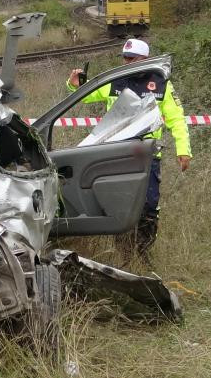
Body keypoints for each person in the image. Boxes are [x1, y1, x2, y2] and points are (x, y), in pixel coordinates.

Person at [66, 38, 191, 257]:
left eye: (132, 58)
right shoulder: (114, 80)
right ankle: (124, 252)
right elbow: (85, 95)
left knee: (149, 206)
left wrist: (183, 150)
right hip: (116, 153)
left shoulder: (161, 84)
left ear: (145, 59)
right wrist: (74, 84)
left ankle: (143, 252)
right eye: (124, 58)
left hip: (147, 155)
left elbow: (176, 119)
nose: (126, 62)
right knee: (118, 205)